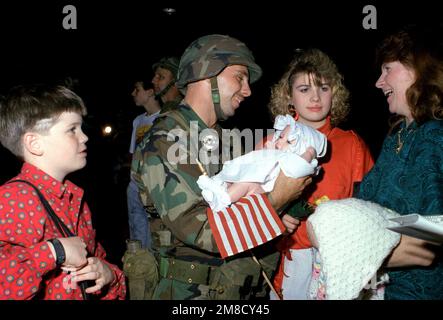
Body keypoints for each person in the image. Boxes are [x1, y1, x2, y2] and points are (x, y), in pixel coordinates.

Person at [131, 34, 312, 300]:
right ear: (205, 74)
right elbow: (205, 231)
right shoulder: (165, 140)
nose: (247, 90)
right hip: (191, 294)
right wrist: (276, 200)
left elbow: (247, 201)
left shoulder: (228, 140)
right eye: (239, 77)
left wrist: (279, 209)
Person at [0, 84, 126, 300]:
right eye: (72, 129)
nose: (84, 137)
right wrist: (53, 252)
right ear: (35, 143)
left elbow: (100, 263)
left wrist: (107, 275)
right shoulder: (15, 198)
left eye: (81, 128)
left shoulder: (74, 199)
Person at [268, 48, 374, 299]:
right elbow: (248, 209)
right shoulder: (272, 144)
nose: (315, 98)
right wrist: (273, 218)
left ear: (334, 94)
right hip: (286, 258)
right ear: (289, 97)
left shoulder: (351, 144)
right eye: (304, 89)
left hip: (338, 259)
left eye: (324, 88)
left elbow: (369, 207)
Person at [356, 26, 443, 300]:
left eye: (387, 69)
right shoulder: (397, 136)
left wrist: (352, 249)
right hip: (378, 289)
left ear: (417, 68)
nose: (378, 82)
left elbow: (430, 238)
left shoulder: (435, 136)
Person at [197, 114, 326, 212]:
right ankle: (218, 186)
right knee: (237, 177)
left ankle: (222, 199)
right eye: (281, 137)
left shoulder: (291, 162)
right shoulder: (275, 150)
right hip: (254, 182)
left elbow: (300, 166)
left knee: (246, 182)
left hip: (263, 190)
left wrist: (309, 153)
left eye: (290, 142)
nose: (280, 142)